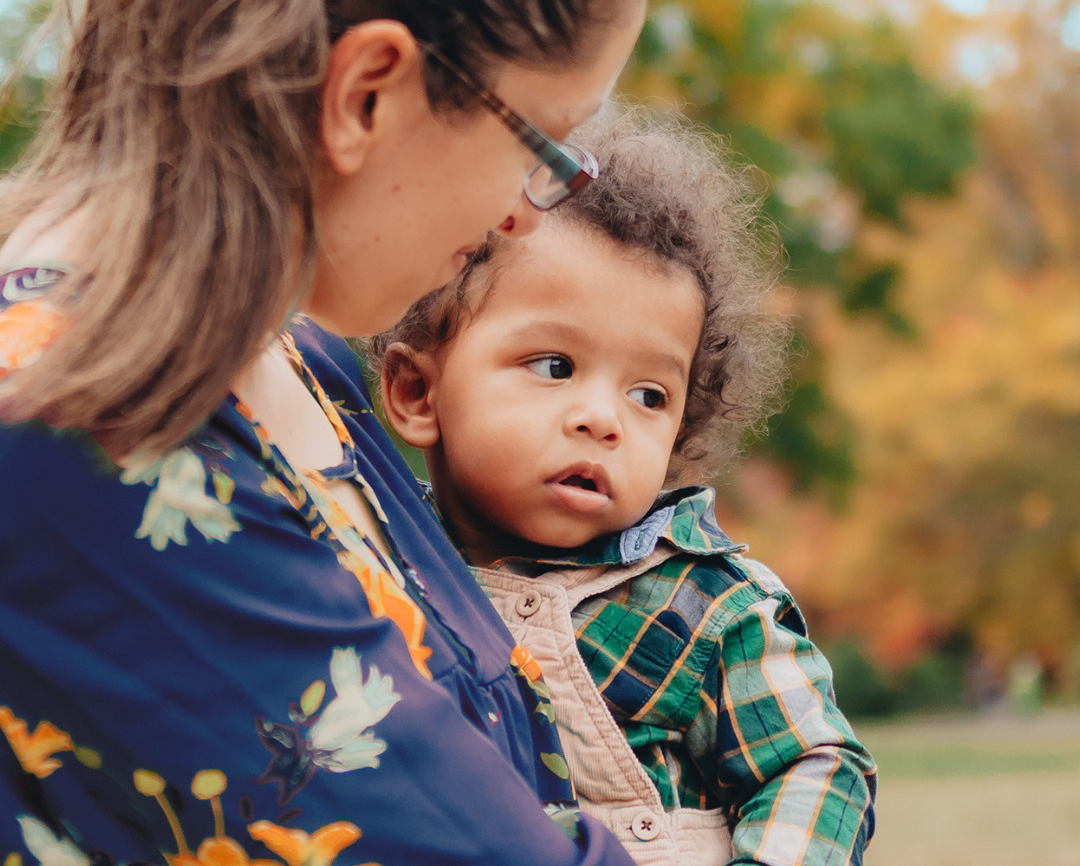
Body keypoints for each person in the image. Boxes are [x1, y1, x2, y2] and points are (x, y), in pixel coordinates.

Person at [0, 1, 650, 863]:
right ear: (366, 94)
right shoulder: (84, 425)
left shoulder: (302, 362)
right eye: (541, 145)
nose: (527, 217)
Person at [371, 108, 878, 865]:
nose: (604, 419)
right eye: (554, 366)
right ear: (418, 392)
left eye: (649, 395)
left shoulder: (706, 604)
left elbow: (817, 766)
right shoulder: (378, 567)